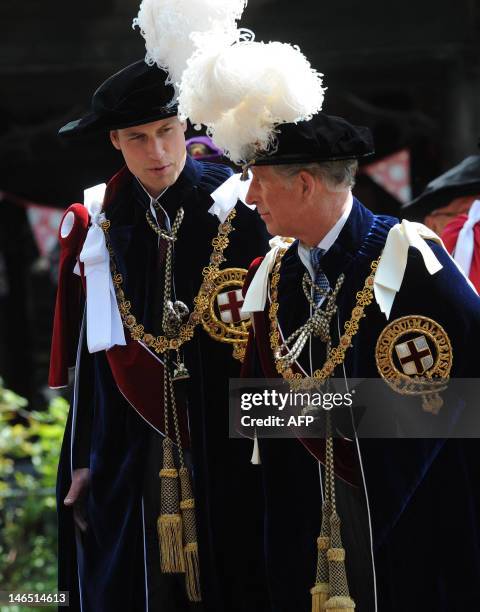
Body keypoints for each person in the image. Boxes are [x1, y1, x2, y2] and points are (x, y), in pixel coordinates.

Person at [236, 112, 480, 611]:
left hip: (410, 522)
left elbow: (462, 400)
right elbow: (257, 414)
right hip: (305, 523)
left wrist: (321, 411)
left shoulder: (411, 259)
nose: (250, 197)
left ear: (304, 184)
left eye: (259, 182)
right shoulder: (273, 274)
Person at [49, 60, 268, 612]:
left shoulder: (239, 207)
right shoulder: (103, 218)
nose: (158, 152)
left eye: (167, 131)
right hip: (134, 433)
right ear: (115, 141)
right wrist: (82, 457)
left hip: (235, 431)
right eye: (138, 138)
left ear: (185, 124)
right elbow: (93, 351)